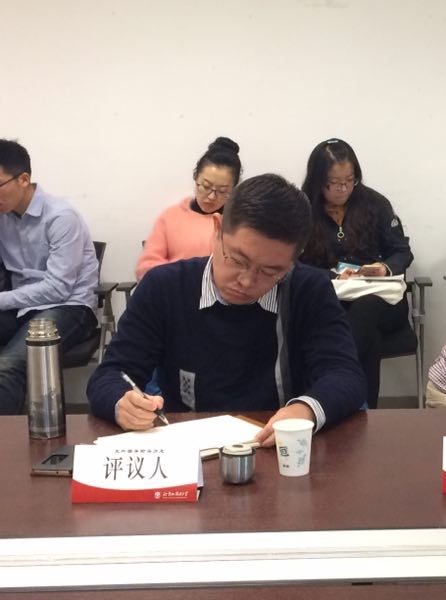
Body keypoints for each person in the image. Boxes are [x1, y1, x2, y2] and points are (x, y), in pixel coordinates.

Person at [87, 173, 365, 445]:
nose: (246, 281)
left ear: (293, 260)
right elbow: (110, 375)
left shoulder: (308, 290)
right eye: (237, 260)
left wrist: (304, 410)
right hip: (187, 449)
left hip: (278, 448)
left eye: (270, 271)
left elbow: (345, 375)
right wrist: (122, 402)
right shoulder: (165, 287)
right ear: (217, 228)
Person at [299, 138, 413, 409]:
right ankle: (364, 412)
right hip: (333, 298)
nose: (343, 189)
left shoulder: (375, 204)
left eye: (349, 181)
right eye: (334, 182)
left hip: (382, 299)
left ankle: (328, 388)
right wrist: (332, 277)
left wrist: (383, 268)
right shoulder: (302, 209)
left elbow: (402, 252)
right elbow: (292, 263)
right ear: (317, 180)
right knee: (368, 336)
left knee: (366, 308)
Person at [0, 139, 99, 415]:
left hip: (69, 307)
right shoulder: (3, 217)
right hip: (22, 309)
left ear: (23, 179)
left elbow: (58, 288)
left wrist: (2, 299)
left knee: (8, 365)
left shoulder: (61, 217)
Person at [135, 137, 241, 280]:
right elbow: (146, 267)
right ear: (196, 177)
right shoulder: (171, 217)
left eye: (222, 191)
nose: (211, 196)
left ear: (233, 189)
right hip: (174, 291)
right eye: (206, 186)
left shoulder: (240, 223)